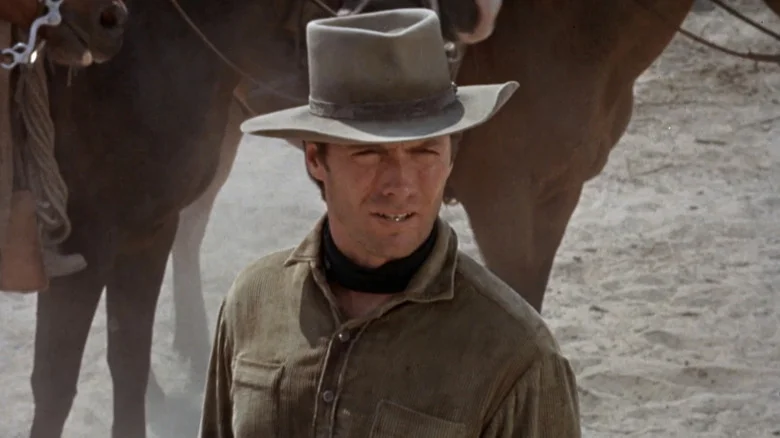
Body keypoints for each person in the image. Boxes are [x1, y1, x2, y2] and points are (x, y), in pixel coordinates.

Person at [199, 8, 581, 437]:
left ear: (450, 157)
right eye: (369, 152)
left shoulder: (517, 355)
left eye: (424, 151)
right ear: (315, 157)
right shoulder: (251, 303)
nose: (401, 184)